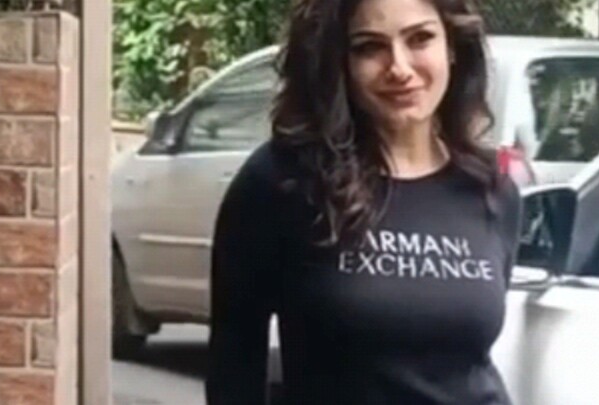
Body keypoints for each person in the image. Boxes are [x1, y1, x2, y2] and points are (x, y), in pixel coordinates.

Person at [206, 0, 523, 403]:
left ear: (452, 46)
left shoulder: (492, 191)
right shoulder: (282, 181)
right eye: (369, 47)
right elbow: (234, 360)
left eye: (420, 38)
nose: (399, 68)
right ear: (339, 62)